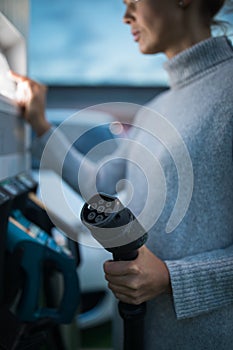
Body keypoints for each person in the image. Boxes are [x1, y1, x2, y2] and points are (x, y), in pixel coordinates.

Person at [10, 0, 233, 349]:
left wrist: (174, 279)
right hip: (138, 333)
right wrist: (40, 126)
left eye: (133, 2)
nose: (125, 16)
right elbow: (101, 185)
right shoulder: (155, 109)